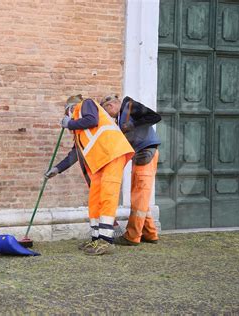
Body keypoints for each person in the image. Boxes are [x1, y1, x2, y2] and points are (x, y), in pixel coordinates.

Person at [45, 94, 134, 255]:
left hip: (112, 153)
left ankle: (106, 240)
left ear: (71, 108)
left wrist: (70, 123)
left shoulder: (86, 104)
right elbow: (74, 154)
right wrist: (57, 169)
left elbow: (92, 120)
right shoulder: (80, 132)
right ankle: (96, 238)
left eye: (67, 113)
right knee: (95, 197)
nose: (67, 117)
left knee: (108, 194)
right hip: (101, 161)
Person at [99, 94, 161, 246]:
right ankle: (150, 233)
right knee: (138, 195)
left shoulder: (130, 106)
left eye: (107, 112)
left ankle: (132, 236)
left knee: (139, 196)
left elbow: (155, 116)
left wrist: (132, 126)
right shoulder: (121, 116)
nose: (108, 116)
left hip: (146, 152)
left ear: (110, 106)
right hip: (140, 154)